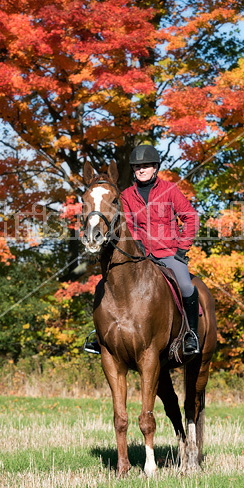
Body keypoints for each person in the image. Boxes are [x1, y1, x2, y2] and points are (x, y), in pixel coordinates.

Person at [84, 144, 200, 356]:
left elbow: (190, 217)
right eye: (137, 167)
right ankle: (100, 333)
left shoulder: (170, 190)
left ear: (155, 167)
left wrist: (182, 249)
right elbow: (124, 225)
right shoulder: (126, 195)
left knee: (185, 285)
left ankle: (191, 334)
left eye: (146, 166)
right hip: (138, 255)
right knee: (104, 284)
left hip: (168, 253)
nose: (141, 170)